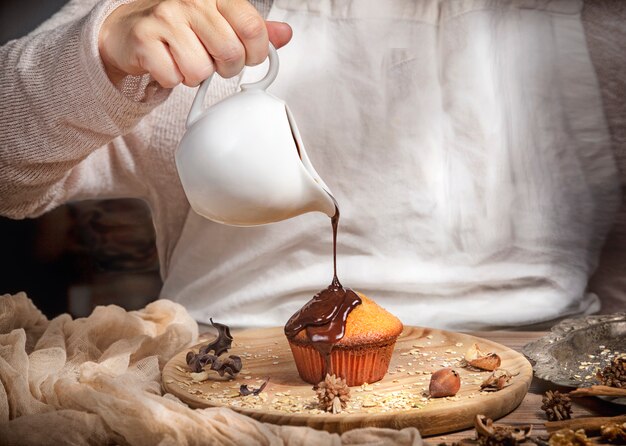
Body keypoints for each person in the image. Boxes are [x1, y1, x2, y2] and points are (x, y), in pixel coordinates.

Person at [0, 0, 621, 330]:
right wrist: (101, 52)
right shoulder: (181, 14)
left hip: (540, 362)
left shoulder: (595, 26)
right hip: (228, 365)